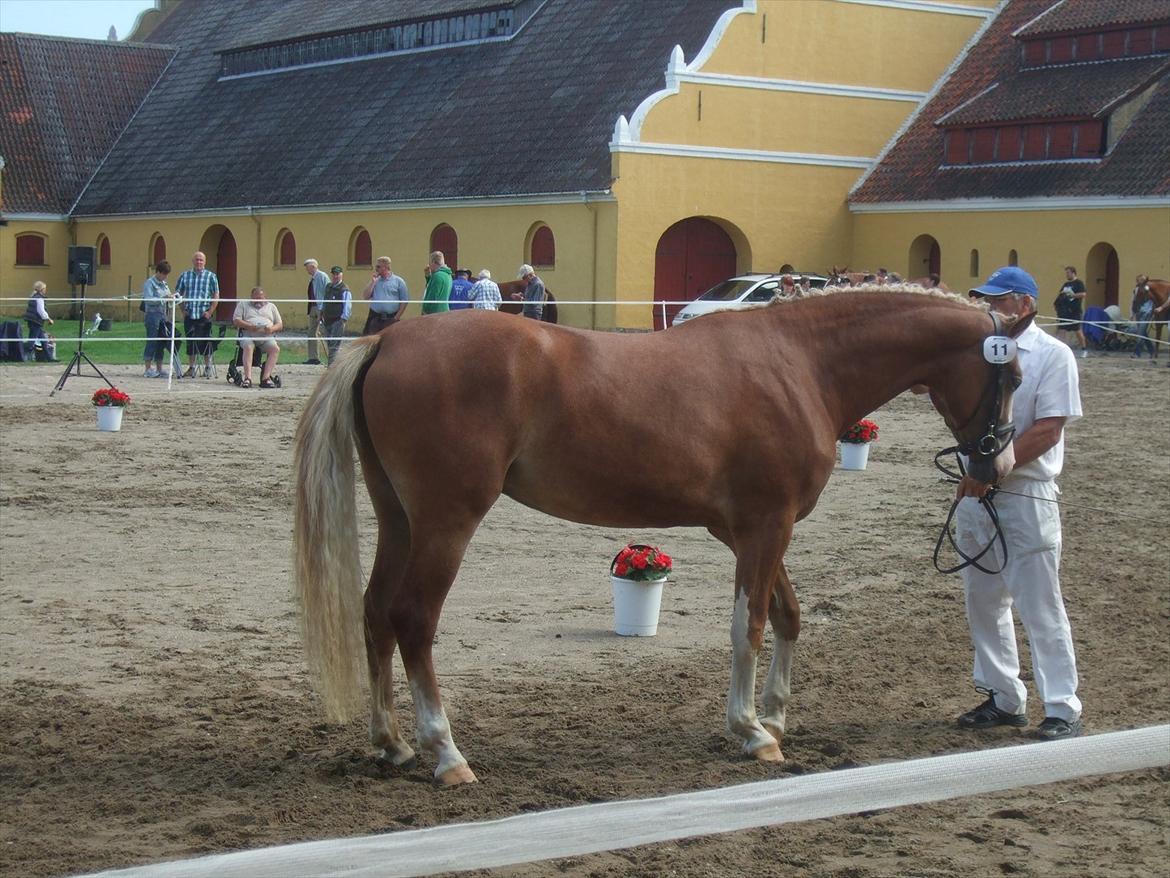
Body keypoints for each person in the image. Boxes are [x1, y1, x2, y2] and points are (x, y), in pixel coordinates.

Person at [954, 266, 1083, 741]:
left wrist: (989, 472)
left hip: (1026, 491)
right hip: (977, 491)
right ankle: (1003, 696)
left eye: (998, 301)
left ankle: (1062, 705)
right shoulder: (983, 353)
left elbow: (1049, 429)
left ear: (1024, 305)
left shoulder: (1054, 355)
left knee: (1039, 603)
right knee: (983, 601)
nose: (989, 309)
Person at [175, 251, 219, 378]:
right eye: (197, 259)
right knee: (190, 341)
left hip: (204, 315)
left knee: (206, 342)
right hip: (190, 315)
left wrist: (210, 311)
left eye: (201, 260)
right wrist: (183, 310)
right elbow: (178, 293)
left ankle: (208, 368)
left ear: (204, 262)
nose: (199, 262)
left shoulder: (211, 276)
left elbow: (216, 294)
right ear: (193, 261)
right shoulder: (185, 275)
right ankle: (192, 368)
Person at [232, 286, 283, 388]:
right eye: (255, 298)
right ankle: (248, 378)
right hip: (248, 334)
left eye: (260, 298)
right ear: (251, 297)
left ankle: (266, 378)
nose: (258, 300)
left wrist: (272, 329)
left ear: (265, 298)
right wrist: (249, 326)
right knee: (248, 347)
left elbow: (280, 324)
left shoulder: (271, 307)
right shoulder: (243, 304)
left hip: (266, 336)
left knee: (275, 349)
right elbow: (236, 320)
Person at [362, 256, 409, 335]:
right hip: (375, 317)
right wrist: (372, 282)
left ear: (386, 267)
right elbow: (365, 297)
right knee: (371, 343)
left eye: (378, 266)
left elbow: (404, 301)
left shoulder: (399, 281)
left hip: (391, 317)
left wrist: (396, 318)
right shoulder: (375, 281)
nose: (376, 269)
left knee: (390, 342)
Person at [141, 261, 172, 377]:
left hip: (163, 315)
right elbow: (148, 300)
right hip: (152, 315)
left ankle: (159, 368)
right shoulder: (149, 283)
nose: (165, 276)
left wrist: (173, 298)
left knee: (161, 342)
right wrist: (163, 298)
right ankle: (148, 368)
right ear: (158, 272)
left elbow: (168, 296)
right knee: (152, 340)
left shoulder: (164, 284)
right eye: (163, 273)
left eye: (166, 274)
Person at [1054, 266, 1088, 359]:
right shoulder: (1065, 284)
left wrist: (1073, 295)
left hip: (1075, 311)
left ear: (1073, 273)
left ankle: (1084, 349)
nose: (1067, 274)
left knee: (1078, 331)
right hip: (1065, 311)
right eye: (1066, 273)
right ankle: (1060, 351)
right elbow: (1061, 294)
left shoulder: (1079, 283)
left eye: (1068, 272)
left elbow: (1083, 294)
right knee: (1062, 330)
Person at [321, 266, 352, 367]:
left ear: (341, 275)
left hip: (338, 320)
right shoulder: (328, 287)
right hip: (327, 319)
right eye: (334, 274)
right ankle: (333, 364)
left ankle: (331, 367)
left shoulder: (344, 288)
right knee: (329, 343)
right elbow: (324, 301)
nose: (335, 276)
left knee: (334, 344)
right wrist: (321, 313)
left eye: (337, 274)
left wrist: (343, 318)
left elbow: (347, 304)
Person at [303, 258, 330, 365]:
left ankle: (331, 357)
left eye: (307, 267)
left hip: (320, 307)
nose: (307, 270)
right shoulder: (312, 278)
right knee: (312, 332)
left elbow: (327, 292)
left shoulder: (322, 276)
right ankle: (313, 357)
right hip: (313, 307)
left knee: (325, 331)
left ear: (313, 267)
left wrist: (323, 309)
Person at [22, 281, 54, 355]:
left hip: (33, 321)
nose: (46, 290)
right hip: (35, 322)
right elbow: (41, 311)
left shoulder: (34, 296)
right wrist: (49, 319)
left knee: (43, 340)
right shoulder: (39, 298)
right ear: (41, 289)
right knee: (31, 343)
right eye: (45, 288)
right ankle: (19, 353)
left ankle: (49, 357)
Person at [1130, 283, 1155, 359]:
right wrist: (1132, 313)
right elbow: (1133, 301)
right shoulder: (1136, 290)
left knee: (1140, 332)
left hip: (1146, 314)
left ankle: (1137, 352)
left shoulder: (1148, 291)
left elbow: (1153, 302)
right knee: (1143, 333)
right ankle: (1152, 351)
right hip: (1139, 313)